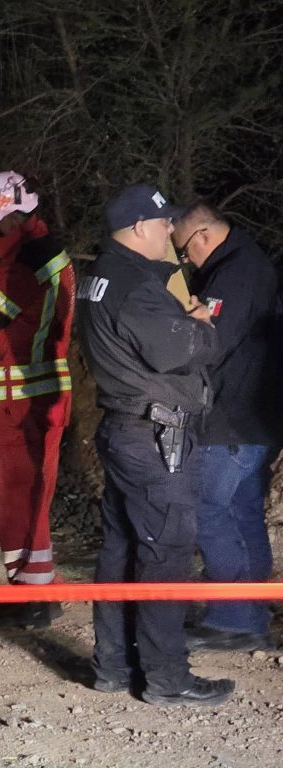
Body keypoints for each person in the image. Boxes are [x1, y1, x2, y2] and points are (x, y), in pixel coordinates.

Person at [77, 183, 234, 706]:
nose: (171, 231)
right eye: (164, 224)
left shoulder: (101, 275)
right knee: (165, 555)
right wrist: (201, 326)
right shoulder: (136, 287)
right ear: (141, 228)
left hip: (128, 430)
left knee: (121, 552)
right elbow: (181, 351)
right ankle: (168, 679)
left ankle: (115, 667)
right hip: (155, 437)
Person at [0, 171, 74, 627]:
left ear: (1, 218)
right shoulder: (41, 252)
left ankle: (33, 599)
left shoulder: (20, 264)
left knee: (20, 498)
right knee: (28, 496)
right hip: (33, 392)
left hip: (19, 397)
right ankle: (33, 589)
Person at [171, 202, 280, 651]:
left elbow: (211, 344)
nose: (185, 262)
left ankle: (237, 618)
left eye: (183, 253)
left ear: (200, 237)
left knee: (207, 511)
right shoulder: (252, 261)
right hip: (258, 415)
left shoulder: (233, 273)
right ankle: (256, 606)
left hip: (231, 419)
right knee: (243, 511)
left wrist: (191, 323)